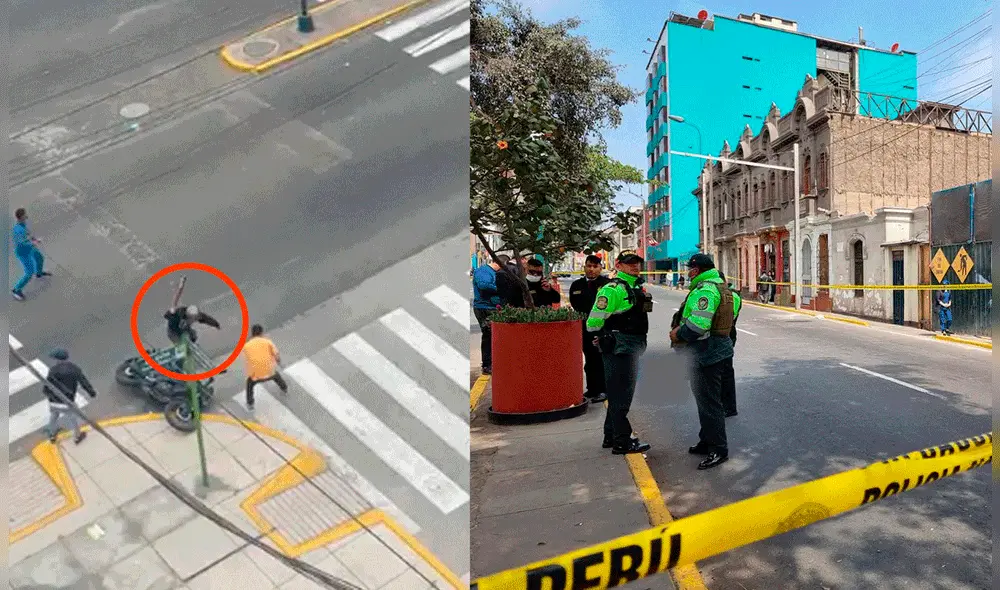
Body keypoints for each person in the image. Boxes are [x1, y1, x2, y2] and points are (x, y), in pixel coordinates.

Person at [669, 253, 734, 470]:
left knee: (710, 404)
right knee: (706, 402)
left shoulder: (705, 290)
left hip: (707, 353)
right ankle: (707, 441)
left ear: (696, 270)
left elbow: (698, 326)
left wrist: (678, 334)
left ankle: (718, 449)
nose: (688, 273)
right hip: (715, 350)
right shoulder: (718, 286)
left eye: (690, 269)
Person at [586, 250, 653, 454]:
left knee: (618, 394)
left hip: (630, 347)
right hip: (619, 348)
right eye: (629, 263)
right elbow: (593, 322)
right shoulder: (613, 289)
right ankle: (622, 441)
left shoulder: (635, 288)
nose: (635, 266)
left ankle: (611, 436)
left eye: (637, 262)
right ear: (619, 265)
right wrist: (605, 335)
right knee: (621, 397)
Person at [569, 255, 611, 403]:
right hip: (584, 329)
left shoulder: (607, 285)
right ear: (585, 267)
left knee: (601, 360)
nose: (591, 269)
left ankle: (603, 390)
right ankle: (592, 389)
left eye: (595, 266)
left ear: (600, 268)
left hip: (602, 329)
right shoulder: (577, 285)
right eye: (589, 266)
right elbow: (575, 305)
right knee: (590, 360)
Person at [42, 349, 97, 444]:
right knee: (72, 417)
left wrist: (49, 395)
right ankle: (77, 436)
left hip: (53, 400)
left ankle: (52, 435)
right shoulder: (74, 369)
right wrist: (91, 393)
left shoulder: (53, 370)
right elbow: (84, 382)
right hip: (67, 401)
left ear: (57, 359)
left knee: (54, 415)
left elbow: (47, 385)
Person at [472, 254, 511, 374]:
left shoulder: (494, 273)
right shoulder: (483, 271)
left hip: (494, 307)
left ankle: (494, 361)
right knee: (488, 335)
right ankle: (487, 364)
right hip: (485, 307)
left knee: (495, 335)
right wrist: (501, 288)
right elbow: (483, 285)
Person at [242, 324, 288, 411]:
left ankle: (250, 403)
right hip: (270, 372)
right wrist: (279, 363)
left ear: (252, 333)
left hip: (255, 375)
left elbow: (249, 358)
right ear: (262, 333)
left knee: (249, 385)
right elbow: (277, 356)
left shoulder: (246, 346)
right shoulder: (268, 342)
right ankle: (284, 388)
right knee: (277, 376)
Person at [12, 208, 51, 301]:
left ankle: (39, 273)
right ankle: (16, 290)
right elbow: (21, 243)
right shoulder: (18, 230)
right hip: (23, 252)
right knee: (29, 272)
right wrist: (33, 243)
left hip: (30, 248)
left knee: (39, 258)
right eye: (25, 215)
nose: (26, 216)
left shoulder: (22, 224)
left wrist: (34, 239)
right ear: (21, 217)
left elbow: (28, 234)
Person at [718, 272, 741, 418]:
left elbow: (729, 316)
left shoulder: (732, 296)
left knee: (725, 372)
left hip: (726, 334)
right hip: (726, 334)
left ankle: (729, 407)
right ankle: (725, 405)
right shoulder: (729, 294)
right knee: (723, 372)